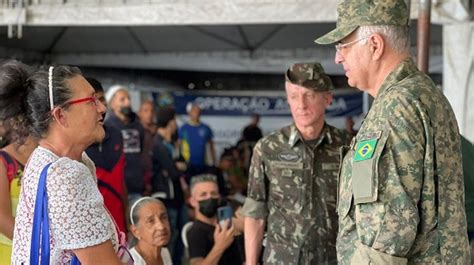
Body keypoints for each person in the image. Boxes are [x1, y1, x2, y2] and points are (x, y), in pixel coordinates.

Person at [315, 0, 470, 263]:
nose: (337, 57)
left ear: (375, 45)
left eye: (343, 46)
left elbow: (387, 231)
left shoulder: (395, 106)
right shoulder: (424, 94)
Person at [1, 61, 125, 263]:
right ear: (60, 115)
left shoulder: (47, 159)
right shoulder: (64, 173)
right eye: (91, 100)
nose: (102, 108)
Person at [242, 62, 350, 264]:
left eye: (309, 95)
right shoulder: (268, 148)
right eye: (294, 96)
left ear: (327, 98)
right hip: (282, 259)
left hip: (334, 258)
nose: (301, 104)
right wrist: (250, 262)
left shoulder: (348, 146)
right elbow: (255, 211)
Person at [0, 61, 39, 265]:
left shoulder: (44, 157)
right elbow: (2, 219)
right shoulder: (2, 161)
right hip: (11, 253)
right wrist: (39, 248)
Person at [85, 77, 128, 234]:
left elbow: (121, 179)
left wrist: (127, 215)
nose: (101, 107)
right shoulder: (75, 144)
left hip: (119, 225)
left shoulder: (116, 134)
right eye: (94, 101)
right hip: (92, 230)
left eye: (102, 100)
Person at [152, 107, 188, 265]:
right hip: (167, 197)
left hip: (179, 196)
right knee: (170, 236)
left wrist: (178, 166)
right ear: (170, 121)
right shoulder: (157, 144)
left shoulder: (172, 143)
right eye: (174, 120)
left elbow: (184, 165)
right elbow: (173, 171)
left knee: (181, 235)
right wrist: (177, 167)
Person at [105, 85, 150, 202]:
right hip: (117, 187)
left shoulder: (138, 126)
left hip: (137, 185)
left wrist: (145, 180)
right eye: (122, 99)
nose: (127, 102)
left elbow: (142, 154)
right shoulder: (107, 127)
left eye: (128, 99)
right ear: (112, 103)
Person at [187, 174, 244, 265]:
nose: (209, 198)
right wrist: (220, 246)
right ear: (193, 201)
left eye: (214, 193)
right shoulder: (196, 232)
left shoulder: (225, 224)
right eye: (203, 194)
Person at [129, 197, 173, 265]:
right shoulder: (131, 262)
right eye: (151, 221)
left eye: (163, 217)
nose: (161, 227)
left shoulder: (164, 253)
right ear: (135, 231)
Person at [179, 103, 216, 176]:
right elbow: (179, 145)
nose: (196, 113)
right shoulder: (183, 128)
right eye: (194, 111)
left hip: (203, 165)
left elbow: (211, 146)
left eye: (198, 111)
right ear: (189, 113)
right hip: (188, 165)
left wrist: (214, 162)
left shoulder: (206, 128)